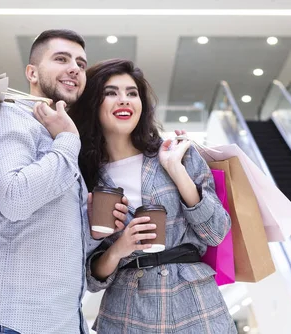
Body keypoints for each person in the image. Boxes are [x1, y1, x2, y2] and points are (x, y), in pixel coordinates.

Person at [0, 30, 128, 334]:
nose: (75, 68)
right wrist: (68, 139)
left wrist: (91, 231)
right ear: (32, 72)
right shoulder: (11, 114)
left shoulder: (59, 133)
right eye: (61, 59)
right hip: (11, 324)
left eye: (80, 62)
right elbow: (15, 198)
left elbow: (54, 241)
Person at [69, 59, 237, 333]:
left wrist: (176, 171)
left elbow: (216, 231)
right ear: (92, 104)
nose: (124, 100)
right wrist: (120, 247)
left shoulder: (176, 153)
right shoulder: (84, 177)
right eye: (110, 93)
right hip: (126, 312)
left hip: (196, 306)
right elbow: (92, 278)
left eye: (132, 93)